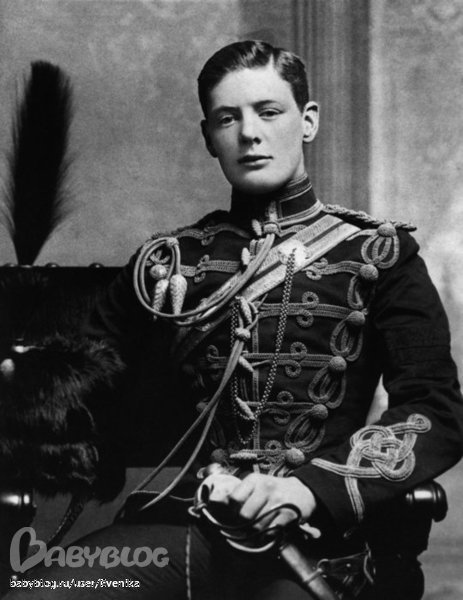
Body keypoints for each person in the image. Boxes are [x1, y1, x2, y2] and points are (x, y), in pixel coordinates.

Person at [5, 40, 463, 600]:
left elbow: (434, 411)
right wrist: (26, 375)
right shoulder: (167, 263)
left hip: (318, 540)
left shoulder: (378, 255)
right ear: (209, 137)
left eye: (269, 112)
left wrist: (309, 490)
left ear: (308, 121)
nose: (249, 133)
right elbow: (82, 387)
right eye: (228, 118)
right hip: (186, 527)